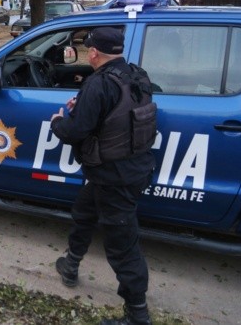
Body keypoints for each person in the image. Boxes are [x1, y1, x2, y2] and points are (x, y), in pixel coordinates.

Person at [49, 27, 157, 325]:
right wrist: (82, 105)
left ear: (94, 53)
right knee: (84, 212)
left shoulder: (99, 84)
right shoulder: (136, 74)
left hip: (116, 178)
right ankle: (70, 266)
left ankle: (137, 315)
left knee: (123, 246)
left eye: (88, 50)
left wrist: (58, 120)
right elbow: (118, 115)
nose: (87, 54)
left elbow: (74, 132)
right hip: (127, 169)